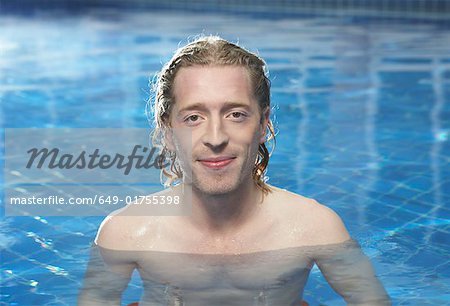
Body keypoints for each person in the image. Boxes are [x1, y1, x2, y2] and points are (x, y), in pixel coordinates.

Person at [78, 35, 390, 305]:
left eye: (236, 114)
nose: (216, 138)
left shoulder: (315, 229)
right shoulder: (126, 232)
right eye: (194, 117)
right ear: (168, 132)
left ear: (264, 125)